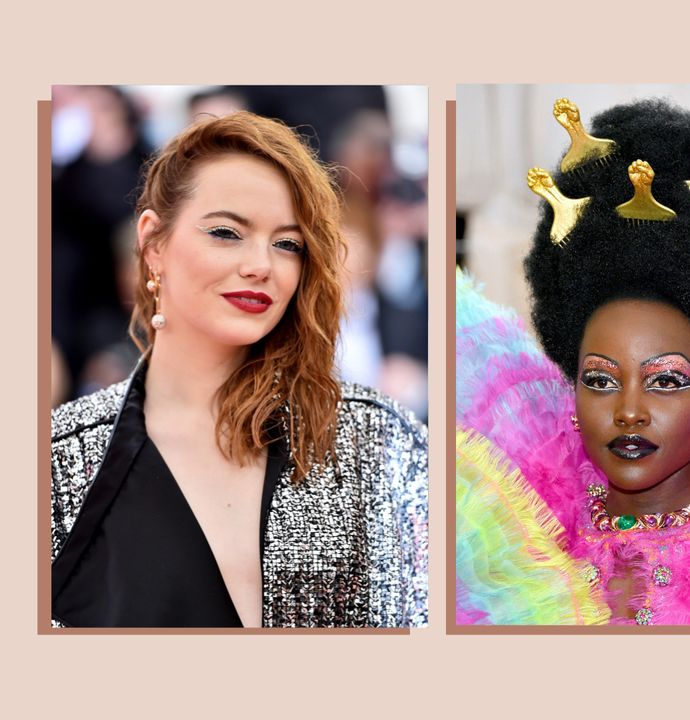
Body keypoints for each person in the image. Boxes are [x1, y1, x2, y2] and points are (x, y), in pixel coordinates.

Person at [455, 98, 690, 625]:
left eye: (665, 381)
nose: (629, 411)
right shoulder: (516, 542)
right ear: (573, 391)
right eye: (600, 380)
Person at [50, 112, 428, 628]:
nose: (261, 264)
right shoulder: (59, 461)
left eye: (287, 243)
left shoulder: (380, 438)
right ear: (153, 243)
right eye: (227, 233)